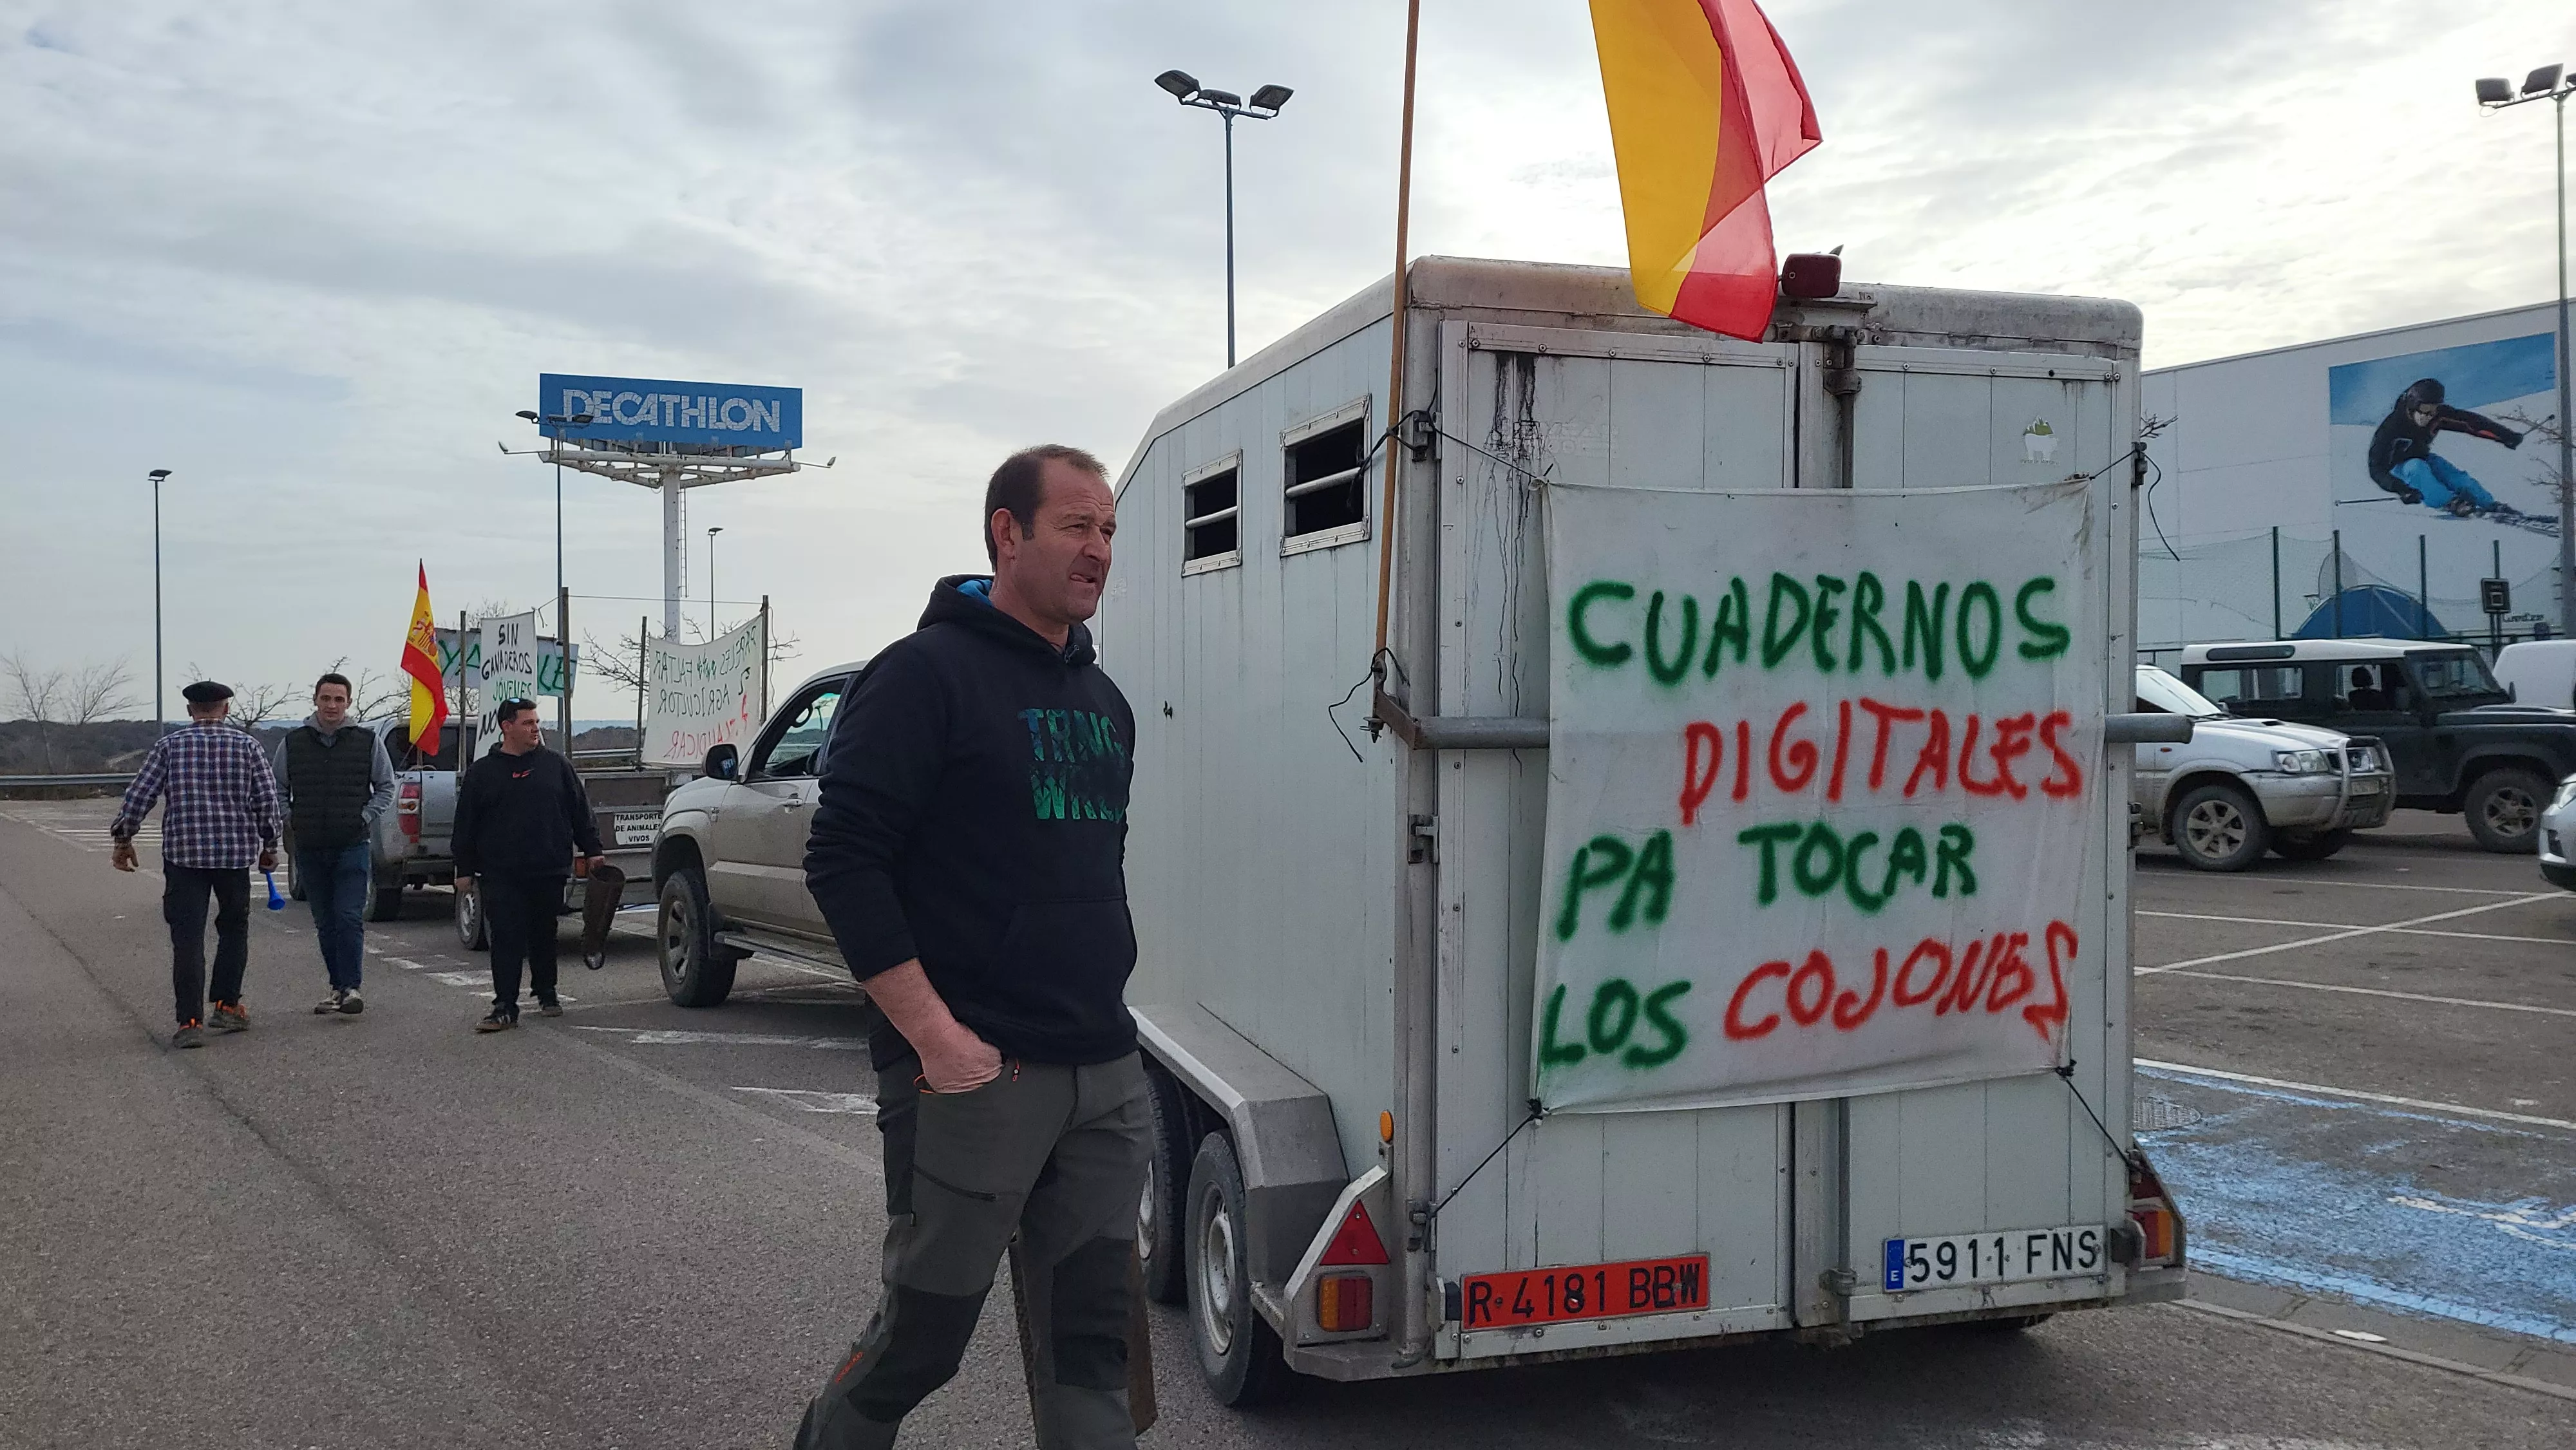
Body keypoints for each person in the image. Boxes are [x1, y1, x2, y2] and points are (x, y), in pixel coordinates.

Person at [795, 444, 1145, 1450]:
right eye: (1077, 527)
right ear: (1007, 532)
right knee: (924, 1339)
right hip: (973, 1076)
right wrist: (936, 1041)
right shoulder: (920, 678)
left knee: (1092, 1352)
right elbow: (844, 862)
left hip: (1102, 1069)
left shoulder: (1104, 702)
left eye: (1110, 531)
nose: (1099, 552)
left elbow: (1094, 868)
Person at [109, 681, 282, 1049]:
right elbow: (267, 801)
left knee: (187, 938)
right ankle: (227, 1005)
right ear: (226, 709)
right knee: (233, 929)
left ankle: (189, 1022)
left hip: (184, 856)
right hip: (234, 857)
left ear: (190, 710)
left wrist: (124, 838)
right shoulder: (248, 746)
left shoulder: (169, 746)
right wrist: (270, 845)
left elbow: (140, 794)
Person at [451, 697, 601, 1031]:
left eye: (536, 722)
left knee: (544, 933)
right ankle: (505, 1006)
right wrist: (463, 868)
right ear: (507, 727)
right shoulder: (482, 773)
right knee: (505, 937)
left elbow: (580, 811)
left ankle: (547, 992)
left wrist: (593, 849)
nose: (535, 728)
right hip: (500, 871)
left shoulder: (556, 766)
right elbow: (466, 825)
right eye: (527, 723)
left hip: (548, 866)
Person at [272, 671, 395, 1015]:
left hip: (352, 843)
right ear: (316, 700)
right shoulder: (292, 742)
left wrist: (365, 816)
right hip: (309, 846)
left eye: (339, 699)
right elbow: (277, 787)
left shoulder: (367, 741)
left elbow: (386, 786)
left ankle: (352, 987)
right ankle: (337, 987)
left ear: (348, 703)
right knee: (325, 920)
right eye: (326, 698)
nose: (332, 705)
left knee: (348, 916)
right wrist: (290, 817)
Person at [2367, 377, 2526, 517]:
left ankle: (2487, 503)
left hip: (2423, 458)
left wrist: (2505, 436)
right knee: (2417, 468)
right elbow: (2376, 468)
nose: (2428, 416)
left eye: (2433, 411)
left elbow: (2471, 423)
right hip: (2398, 470)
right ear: (2412, 406)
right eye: (2424, 411)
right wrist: (2401, 488)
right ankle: (2449, 502)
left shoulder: (2438, 416)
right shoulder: (2391, 428)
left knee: (2451, 473)